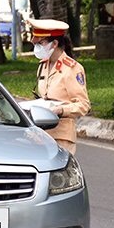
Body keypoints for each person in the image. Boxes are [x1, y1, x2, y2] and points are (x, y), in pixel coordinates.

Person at [30, 18, 90, 155]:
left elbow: (83, 105)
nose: (37, 47)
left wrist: (60, 110)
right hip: (42, 135)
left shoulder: (72, 68)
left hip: (62, 136)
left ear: (54, 43)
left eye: (41, 43)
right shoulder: (43, 65)